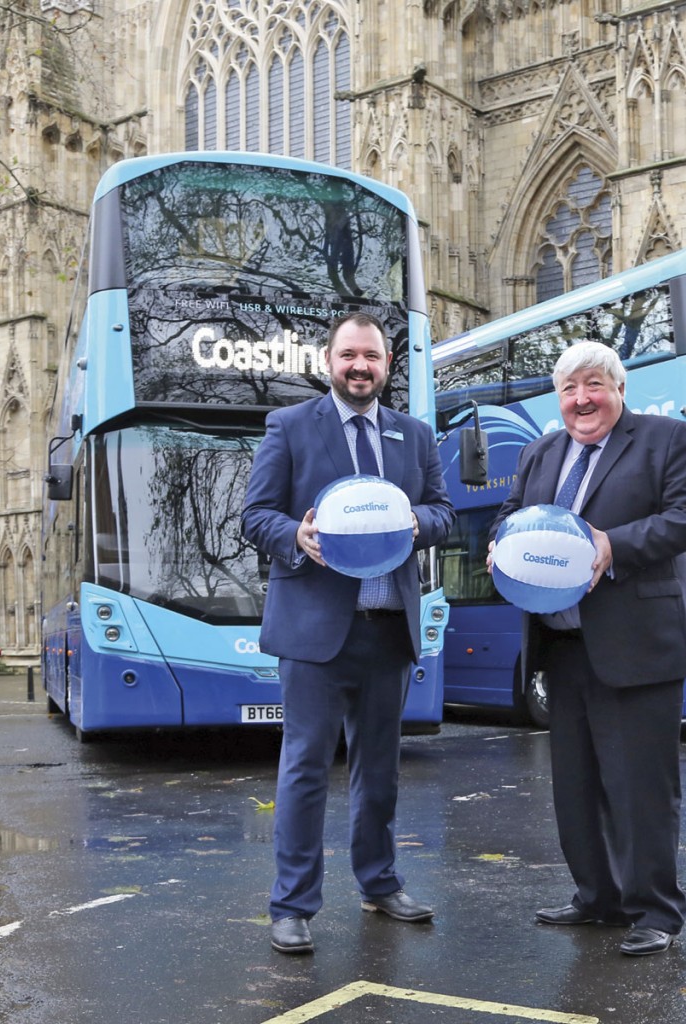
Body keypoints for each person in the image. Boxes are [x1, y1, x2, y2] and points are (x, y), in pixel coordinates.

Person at [489, 341, 686, 957]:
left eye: (594, 385)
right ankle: (598, 898)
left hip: (639, 646)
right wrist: (499, 544)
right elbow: (509, 516)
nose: (582, 399)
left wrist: (614, 544)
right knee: (576, 785)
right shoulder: (539, 452)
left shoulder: (666, 439)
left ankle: (656, 912)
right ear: (558, 398)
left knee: (640, 787)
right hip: (561, 646)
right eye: (569, 389)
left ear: (619, 389)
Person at [241, 312, 455, 956]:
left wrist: (414, 521)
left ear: (388, 366)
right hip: (315, 631)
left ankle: (379, 882)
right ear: (329, 361)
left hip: (388, 626)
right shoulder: (289, 426)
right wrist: (296, 537)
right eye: (349, 355)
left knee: (380, 771)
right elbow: (255, 515)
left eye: (373, 357)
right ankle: (293, 905)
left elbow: (444, 513)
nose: (361, 367)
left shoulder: (414, 436)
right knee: (306, 766)